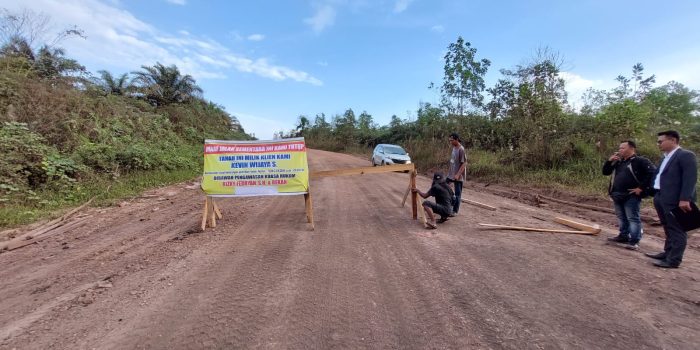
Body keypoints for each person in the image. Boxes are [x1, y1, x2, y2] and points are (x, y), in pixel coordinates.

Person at [645, 130, 697, 268]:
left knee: (677, 229)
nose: (658, 144)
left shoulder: (686, 155)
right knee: (667, 227)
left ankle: (674, 260)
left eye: (661, 141)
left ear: (673, 140)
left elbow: (690, 179)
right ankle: (667, 253)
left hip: (676, 199)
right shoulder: (665, 157)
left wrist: (685, 198)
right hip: (661, 196)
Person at [602, 140, 656, 250]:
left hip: (631, 195)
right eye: (620, 148)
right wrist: (609, 161)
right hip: (617, 193)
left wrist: (641, 188)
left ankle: (634, 240)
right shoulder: (619, 161)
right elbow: (606, 172)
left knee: (632, 217)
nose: (620, 150)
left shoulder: (640, 161)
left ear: (632, 149)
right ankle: (623, 235)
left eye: (623, 148)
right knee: (621, 217)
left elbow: (652, 173)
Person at [446, 132, 467, 216]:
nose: (450, 142)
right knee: (445, 187)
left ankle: (454, 211)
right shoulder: (454, 148)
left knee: (458, 193)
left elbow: (464, 163)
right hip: (451, 174)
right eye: (450, 140)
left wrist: (458, 174)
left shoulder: (461, 149)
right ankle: (447, 206)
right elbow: (453, 161)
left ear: (456, 139)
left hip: (458, 176)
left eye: (452, 140)